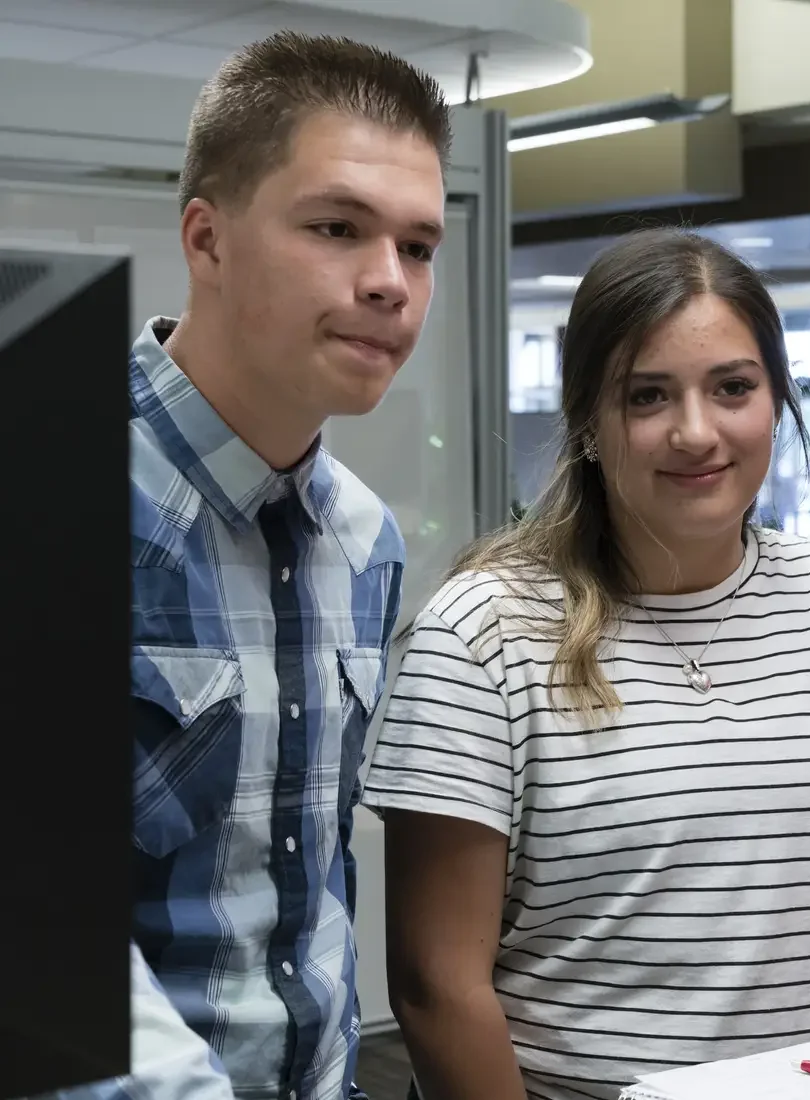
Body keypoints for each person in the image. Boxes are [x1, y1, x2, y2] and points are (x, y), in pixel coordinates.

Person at [362, 229, 810, 1100]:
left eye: (733, 388)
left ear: (776, 402)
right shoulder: (488, 631)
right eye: (648, 396)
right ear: (590, 422)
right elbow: (436, 987)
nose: (696, 432)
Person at [59, 30, 449, 1100]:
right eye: (337, 228)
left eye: (418, 247)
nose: (389, 283)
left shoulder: (365, 539)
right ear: (207, 236)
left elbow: (304, 889)